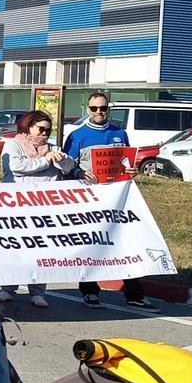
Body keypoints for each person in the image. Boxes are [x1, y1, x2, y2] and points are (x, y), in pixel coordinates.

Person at [63, 91, 156, 310]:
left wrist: (131, 170)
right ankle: (89, 291)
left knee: (125, 245)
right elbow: (67, 167)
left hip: (117, 199)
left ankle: (134, 293)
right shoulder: (77, 136)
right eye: (94, 108)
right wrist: (79, 174)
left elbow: (125, 162)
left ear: (108, 110)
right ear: (87, 110)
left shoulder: (120, 133)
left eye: (103, 108)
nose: (98, 112)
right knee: (91, 244)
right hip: (90, 199)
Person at [0, 110, 79, 309]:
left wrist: (59, 160)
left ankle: (38, 291)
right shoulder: (14, 144)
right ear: (28, 126)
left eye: (48, 131)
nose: (44, 134)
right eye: (40, 129)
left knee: (40, 250)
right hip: (17, 205)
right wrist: (46, 160)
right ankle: (8, 288)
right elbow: (16, 166)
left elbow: (69, 166)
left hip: (43, 208)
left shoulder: (52, 148)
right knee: (14, 248)